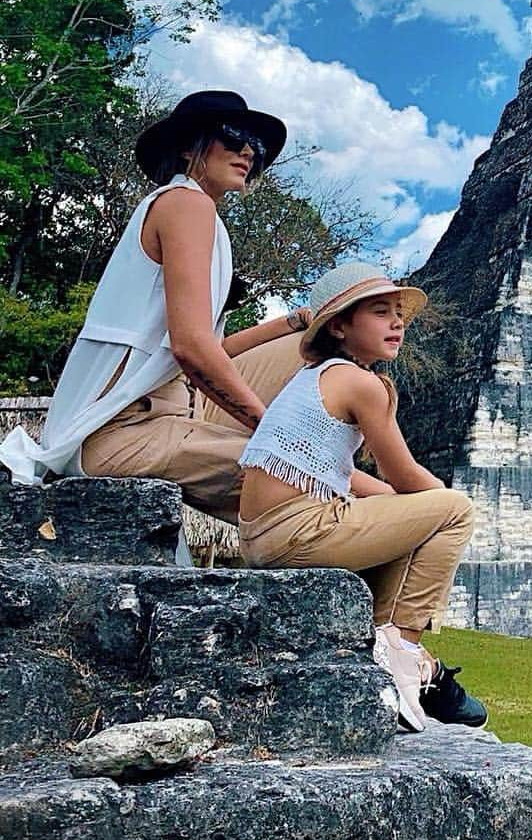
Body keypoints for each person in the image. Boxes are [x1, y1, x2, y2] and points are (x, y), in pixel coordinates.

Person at [0, 90, 307, 520]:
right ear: (188, 147)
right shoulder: (185, 203)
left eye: (254, 145)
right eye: (234, 135)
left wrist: (292, 323)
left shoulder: (204, 218)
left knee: (317, 346)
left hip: (168, 412)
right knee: (310, 475)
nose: (247, 150)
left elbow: (204, 351)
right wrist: (276, 431)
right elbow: (192, 349)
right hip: (120, 430)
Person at [236, 261, 485, 733]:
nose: (396, 323)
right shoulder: (362, 384)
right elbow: (407, 475)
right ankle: (405, 647)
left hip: (264, 534)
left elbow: (341, 472)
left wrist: (400, 504)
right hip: (297, 530)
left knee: (411, 513)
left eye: (398, 313)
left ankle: (392, 653)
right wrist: (441, 506)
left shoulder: (314, 379)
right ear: (339, 325)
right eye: (379, 312)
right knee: (455, 511)